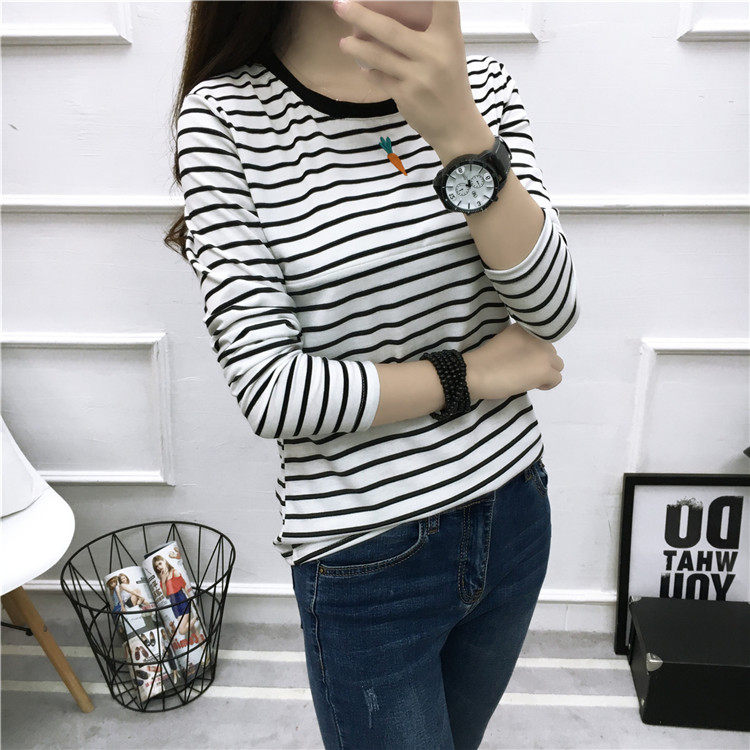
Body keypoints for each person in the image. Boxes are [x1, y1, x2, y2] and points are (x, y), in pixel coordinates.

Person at [164, 2, 580, 748]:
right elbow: (273, 390)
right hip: (366, 551)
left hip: (514, 511)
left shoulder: (481, 86)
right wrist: (473, 373)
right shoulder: (226, 118)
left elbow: (551, 309)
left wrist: (460, 134)